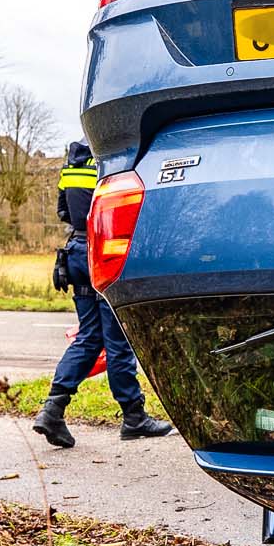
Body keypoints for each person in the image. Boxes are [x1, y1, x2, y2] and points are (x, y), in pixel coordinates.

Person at [34, 140, 174, 448]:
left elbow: (63, 211)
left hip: (76, 253)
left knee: (90, 336)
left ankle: (52, 410)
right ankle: (134, 418)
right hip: (103, 251)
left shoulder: (71, 166)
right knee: (117, 340)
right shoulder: (109, 161)